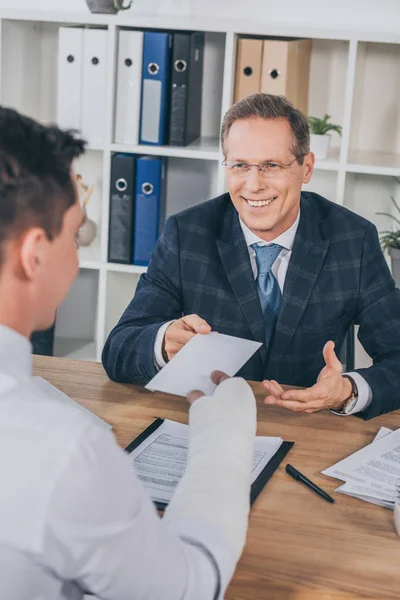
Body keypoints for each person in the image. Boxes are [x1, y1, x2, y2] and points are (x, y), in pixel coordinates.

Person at [0, 106, 257, 599]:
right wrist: (224, 439)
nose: (77, 256)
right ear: (34, 254)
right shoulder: (63, 452)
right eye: (75, 233)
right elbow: (190, 586)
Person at [102, 93, 400, 420]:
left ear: (307, 168)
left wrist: (347, 390)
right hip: (210, 422)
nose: (253, 185)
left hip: (310, 428)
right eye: (240, 165)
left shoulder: (353, 239)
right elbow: (119, 348)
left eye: (271, 165)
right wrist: (162, 342)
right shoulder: (186, 233)